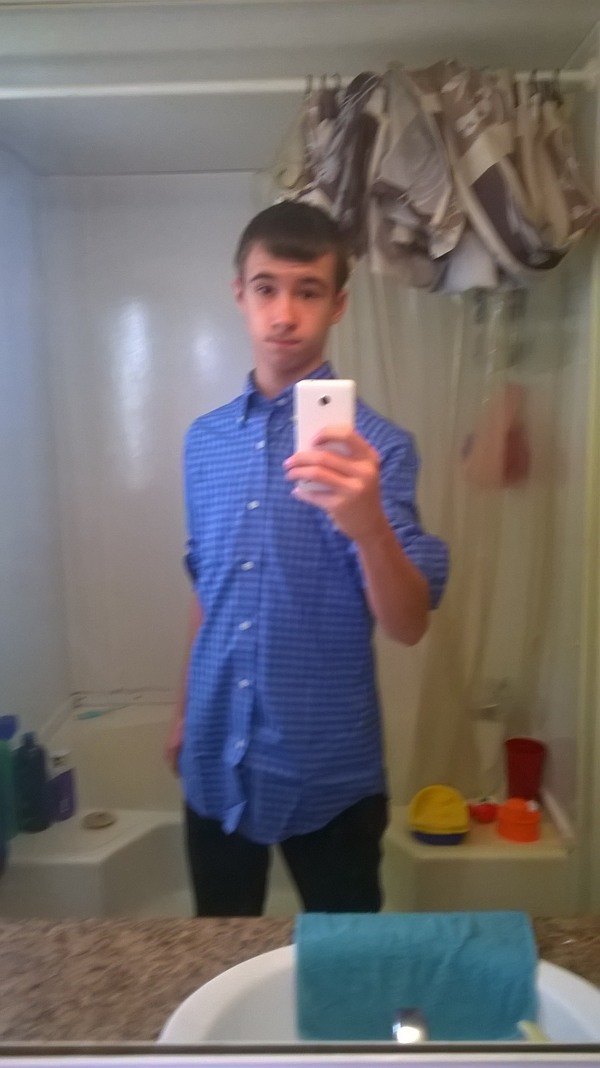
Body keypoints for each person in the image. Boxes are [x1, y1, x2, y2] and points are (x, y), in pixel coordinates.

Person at [165, 200, 448, 916]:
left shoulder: (380, 450)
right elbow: (209, 587)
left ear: (338, 305)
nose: (284, 314)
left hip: (328, 775)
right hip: (214, 758)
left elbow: (409, 624)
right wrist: (182, 714)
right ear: (240, 293)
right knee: (221, 954)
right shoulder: (204, 443)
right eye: (267, 288)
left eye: (308, 291)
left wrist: (369, 526)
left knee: (347, 965)